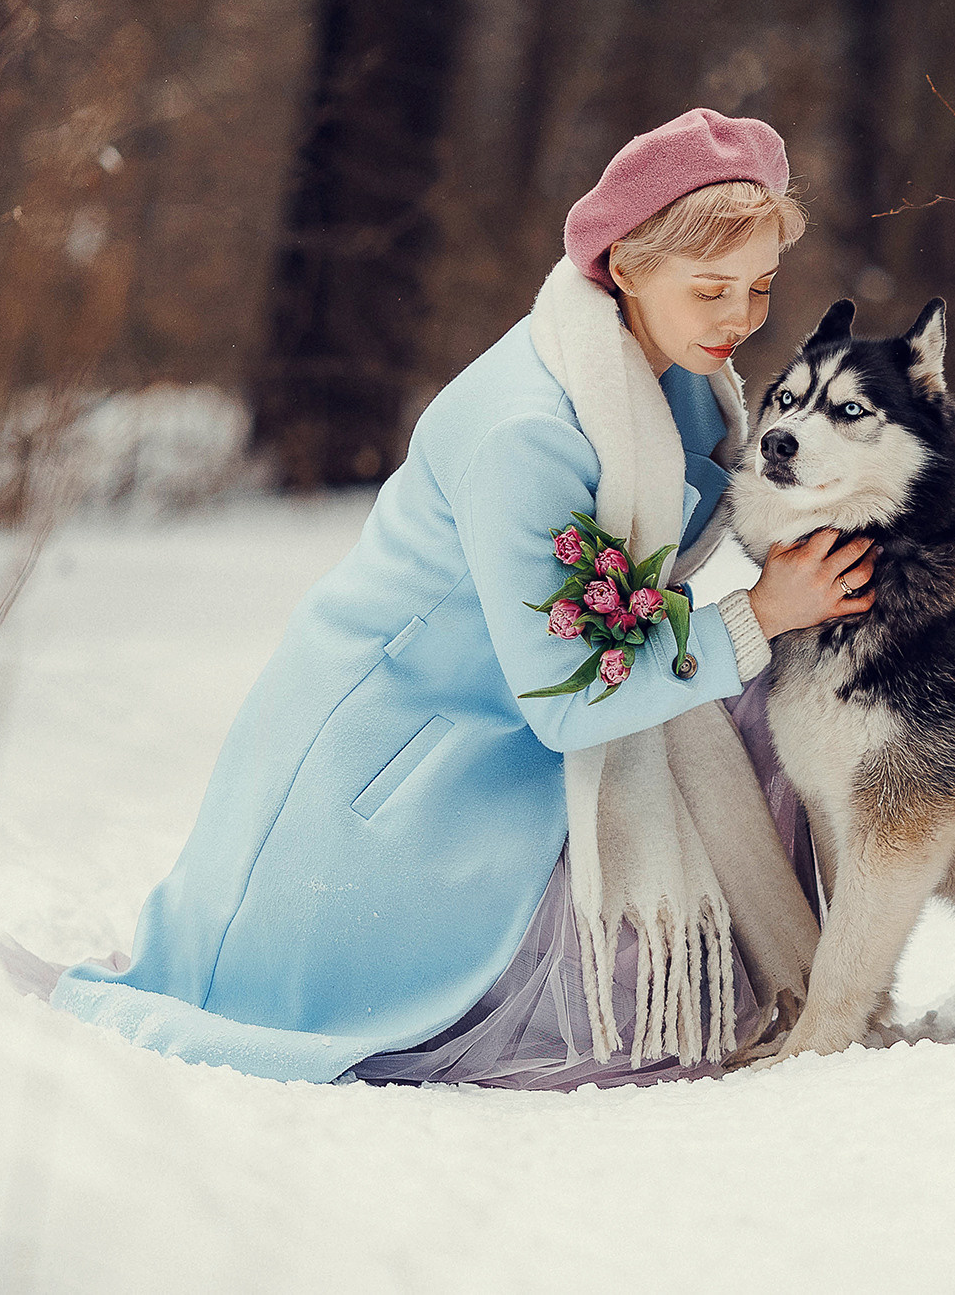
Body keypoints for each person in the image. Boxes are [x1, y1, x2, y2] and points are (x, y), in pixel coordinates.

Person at [50, 109, 875, 1086]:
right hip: (409, 777)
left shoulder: (676, 380)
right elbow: (573, 690)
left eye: (758, 287)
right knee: (633, 1009)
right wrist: (760, 613)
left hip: (520, 726)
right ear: (622, 266)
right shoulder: (526, 431)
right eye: (710, 289)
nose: (740, 318)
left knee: (804, 687)